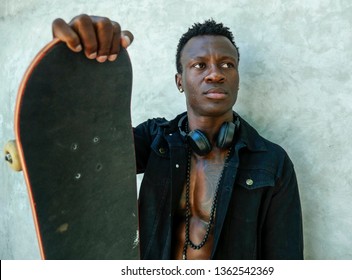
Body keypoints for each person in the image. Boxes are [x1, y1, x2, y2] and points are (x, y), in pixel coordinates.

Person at [52, 15, 303, 260]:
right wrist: (83, 69)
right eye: (199, 65)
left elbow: (285, 259)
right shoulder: (154, 140)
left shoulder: (271, 162)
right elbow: (88, 153)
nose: (215, 74)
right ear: (179, 81)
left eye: (227, 64)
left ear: (237, 80)